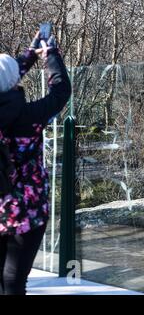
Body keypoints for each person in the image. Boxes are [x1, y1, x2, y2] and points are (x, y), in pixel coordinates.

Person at [0, 30, 71, 295]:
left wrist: (29, 56)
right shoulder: (30, 116)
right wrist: (48, 54)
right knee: (14, 280)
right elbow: (61, 91)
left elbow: (4, 78)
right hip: (27, 211)